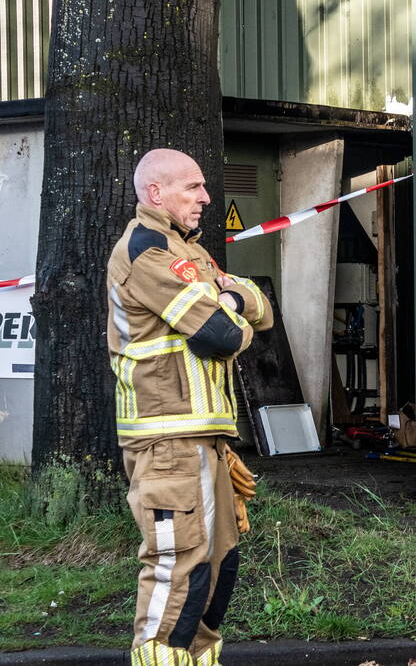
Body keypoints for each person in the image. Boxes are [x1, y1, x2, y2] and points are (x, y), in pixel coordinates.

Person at [106, 149, 273, 666]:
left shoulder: (189, 251)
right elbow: (223, 334)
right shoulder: (148, 250)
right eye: (192, 187)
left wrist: (230, 299)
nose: (205, 197)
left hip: (202, 438)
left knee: (216, 571)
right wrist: (229, 303)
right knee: (179, 569)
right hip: (167, 441)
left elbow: (260, 306)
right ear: (156, 192)